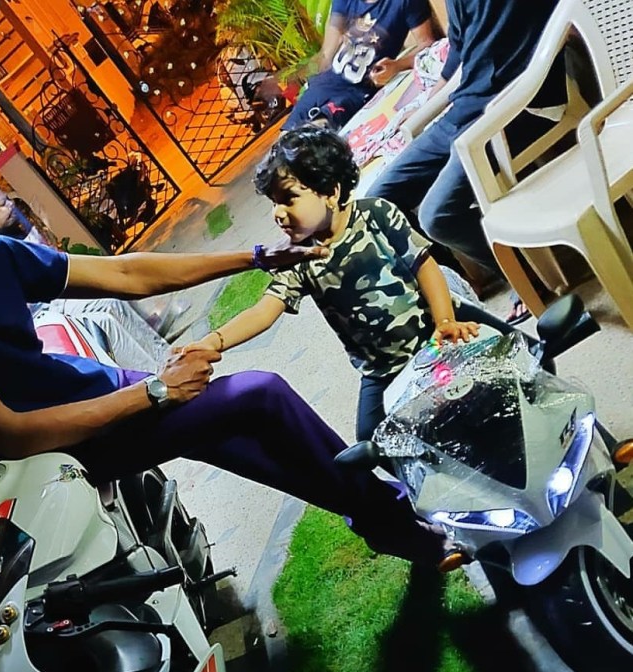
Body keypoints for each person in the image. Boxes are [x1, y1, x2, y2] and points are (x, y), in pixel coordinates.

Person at [0, 126, 454, 567]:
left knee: (241, 432)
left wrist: (257, 255)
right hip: (52, 459)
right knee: (259, 396)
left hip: (97, 396)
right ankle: (394, 519)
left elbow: (124, 274)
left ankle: (384, 523)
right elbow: (9, 434)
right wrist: (156, 391)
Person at [180, 126, 512, 443]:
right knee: (372, 439)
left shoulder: (376, 214)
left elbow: (425, 266)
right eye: (273, 202)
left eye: (289, 198)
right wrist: (212, 341)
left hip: (436, 327)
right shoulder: (297, 258)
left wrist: (445, 320)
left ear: (331, 191)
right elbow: (264, 312)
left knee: (515, 350)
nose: (278, 213)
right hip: (383, 369)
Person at [364, 0, 562, 321]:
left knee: (437, 215)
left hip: (518, 105)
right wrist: (423, 108)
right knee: (378, 200)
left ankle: (526, 275)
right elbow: (459, 54)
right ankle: (456, 288)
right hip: (464, 110)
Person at [0, 184, 170, 373]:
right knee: (108, 305)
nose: (10, 205)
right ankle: (159, 367)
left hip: (56, 296)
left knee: (110, 297)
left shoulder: (18, 231)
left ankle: (163, 355)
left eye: (7, 200)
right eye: (2, 206)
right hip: (45, 308)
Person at [283, 0, 436, 131]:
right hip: (323, 84)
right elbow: (327, 52)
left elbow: (428, 43)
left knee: (316, 131)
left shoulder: (404, 2)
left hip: (356, 92)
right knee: (284, 141)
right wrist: (291, 76)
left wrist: (397, 66)